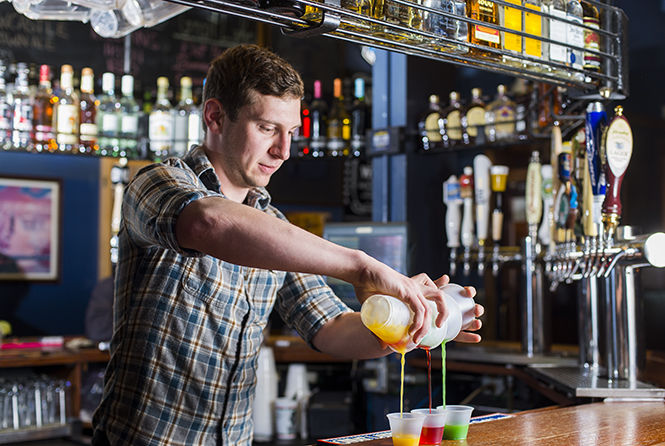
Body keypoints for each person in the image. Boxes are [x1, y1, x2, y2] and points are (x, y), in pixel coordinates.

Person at [91, 44, 484, 446]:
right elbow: (208, 222)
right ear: (215, 116)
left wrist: (415, 322)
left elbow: (330, 327)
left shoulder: (274, 228)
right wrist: (363, 267)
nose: (283, 151)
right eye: (266, 128)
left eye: (291, 132)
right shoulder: (155, 184)